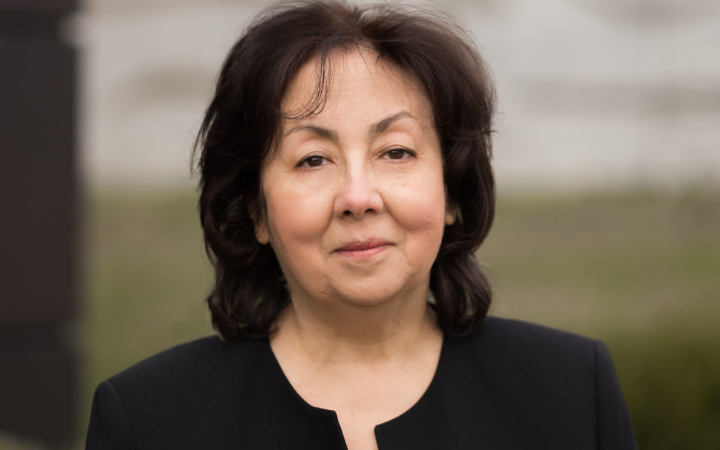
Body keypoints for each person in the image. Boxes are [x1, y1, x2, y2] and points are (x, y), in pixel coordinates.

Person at [85, 1, 637, 449]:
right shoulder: (148, 420)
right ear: (255, 210)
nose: (357, 197)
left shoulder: (571, 391)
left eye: (395, 152)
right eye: (313, 160)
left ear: (451, 189)